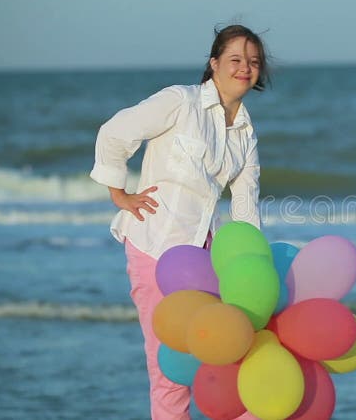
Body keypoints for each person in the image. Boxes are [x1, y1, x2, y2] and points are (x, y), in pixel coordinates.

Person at [90, 24, 269, 420]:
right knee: (170, 374)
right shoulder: (180, 101)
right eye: (236, 59)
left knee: (230, 358)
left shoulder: (245, 133)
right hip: (155, 249)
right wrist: (118, 192)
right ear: (214, 63)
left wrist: (254, 271)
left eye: (253, 62)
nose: (245, 68)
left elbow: (245, 207)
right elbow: (115, 133)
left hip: (205, 261)